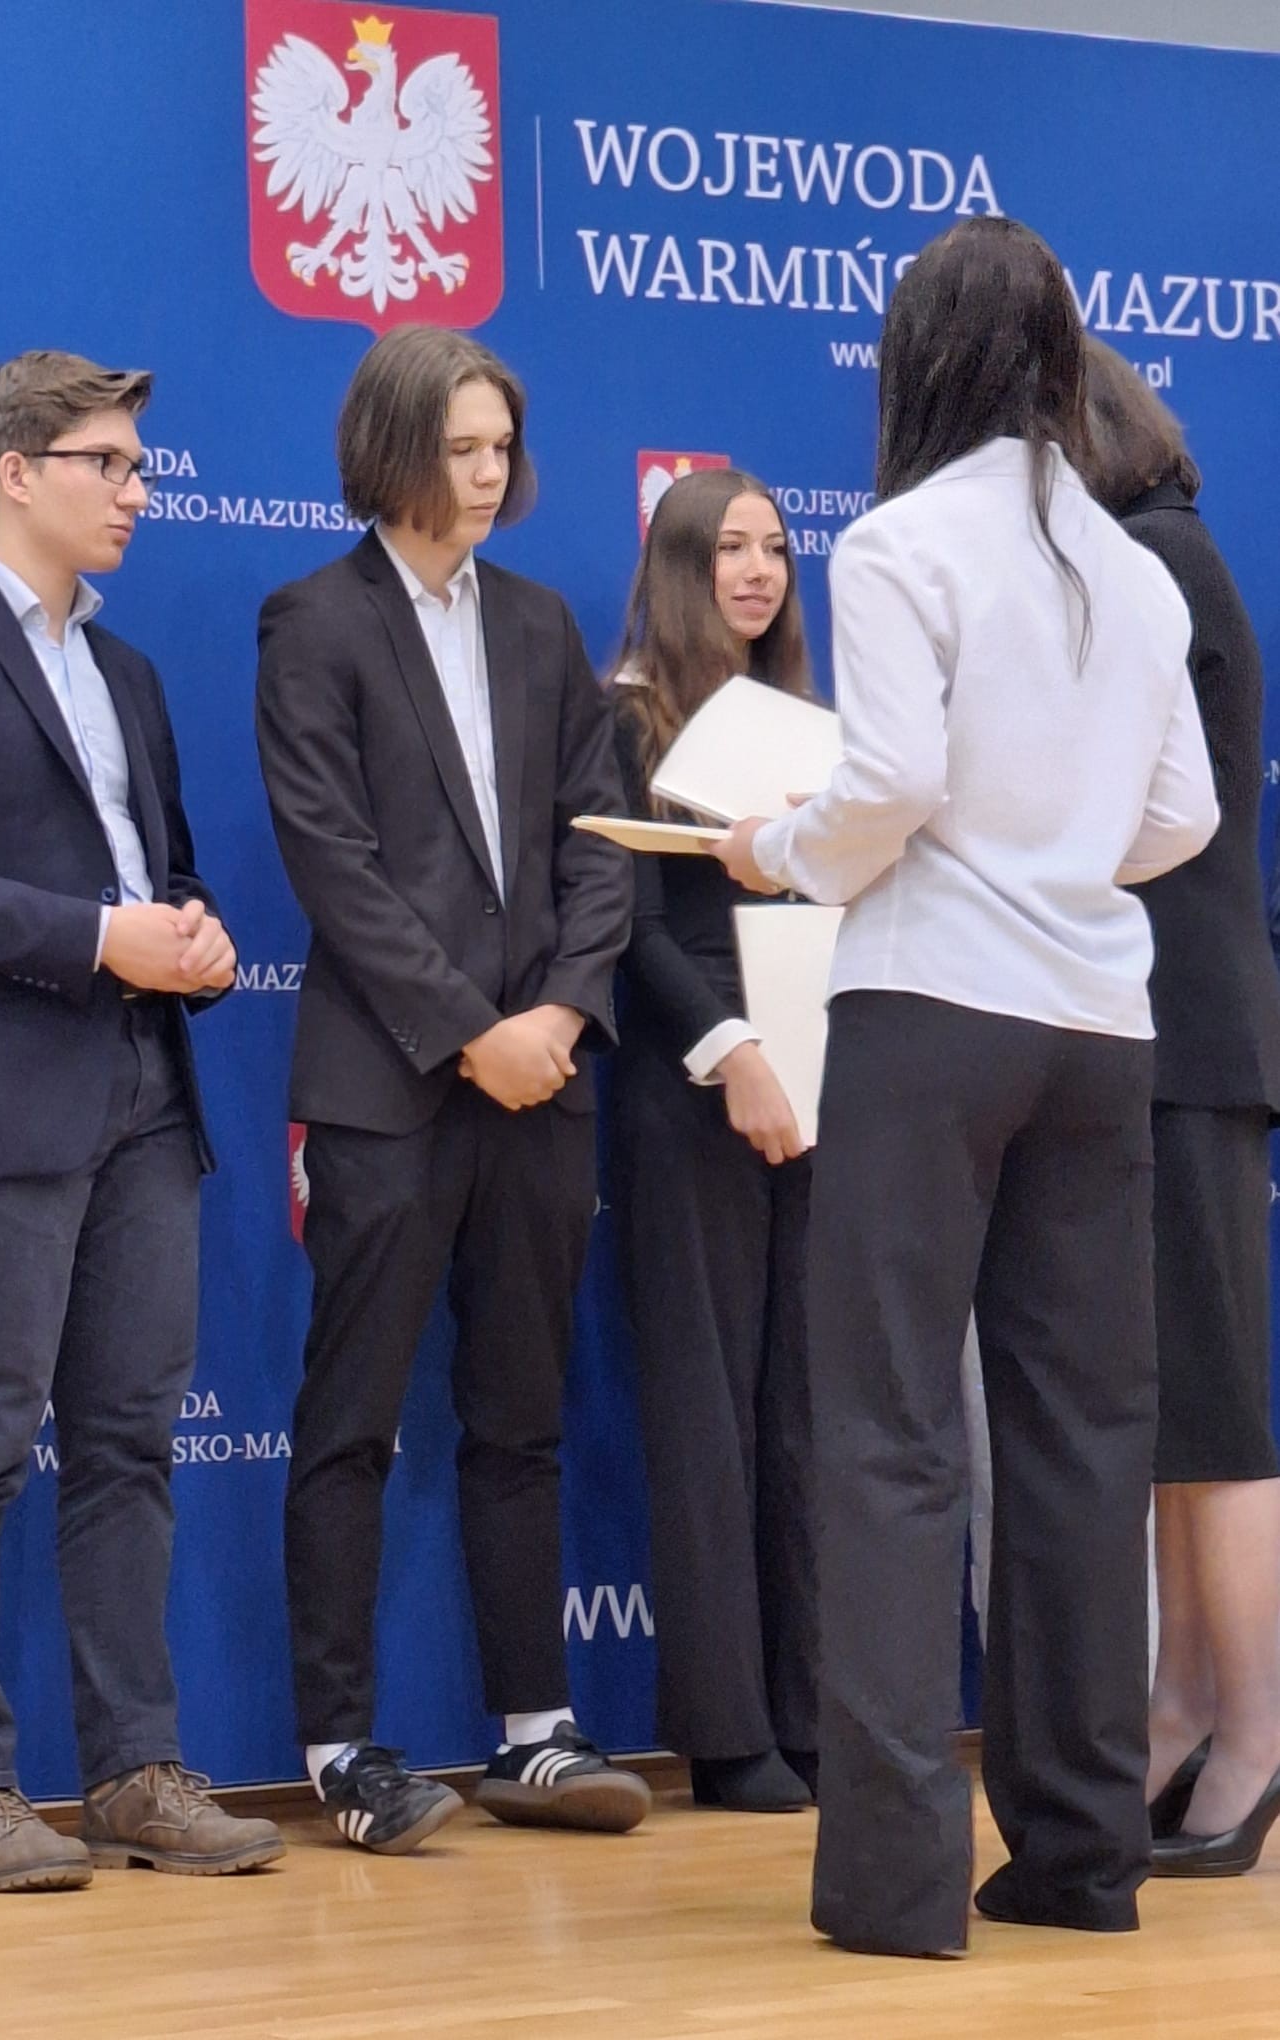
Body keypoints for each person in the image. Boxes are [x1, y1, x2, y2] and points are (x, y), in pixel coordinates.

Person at [716, 217, 1218, 1955]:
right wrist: (1057, 855)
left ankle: (891, 1884)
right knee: (1082, 1439)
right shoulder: (1135, 570)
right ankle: (1082, 1861)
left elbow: (887, 788)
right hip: (1099, 1025)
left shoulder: (898, 541)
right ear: (1061, 361)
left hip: (930, 1011)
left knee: (888, 1432)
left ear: (914, 358)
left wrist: (774, 850)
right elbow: (1182, 819)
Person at [0, 351, 282, 1893]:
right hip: (0, 1103)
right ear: (16, 471)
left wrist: (191, 935)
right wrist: (100, 937)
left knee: (130, 1447)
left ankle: (134, 1774)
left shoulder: (127, 672)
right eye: (110, 464)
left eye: (139, 466)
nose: (138, 491)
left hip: (146, 1094)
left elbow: (159, 868)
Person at [255, 324, 646, 1855]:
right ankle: (341, 1750)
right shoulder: (314, 619)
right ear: (392, 448)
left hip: (541, 1084)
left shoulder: (541, 625)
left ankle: (534, 1734)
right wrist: (470, 1029)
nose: (486, 476)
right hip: (390, 1084)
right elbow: (331, 862)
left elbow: (600, 842)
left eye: (499, 449)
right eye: (459, 449)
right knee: (350, 1421)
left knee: (520, 1417)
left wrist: (556, 1012)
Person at [1082, 336, 1280, 1878]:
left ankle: (1254, 1738)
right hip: (1159, 1032)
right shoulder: (1165, 552)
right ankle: (1175, 1710)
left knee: (1211, 1411)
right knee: (1168, 1413)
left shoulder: (1156, 561)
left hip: (1187, 1036)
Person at [607, 468, 817, 1814]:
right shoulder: (627, 717)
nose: (756, 571)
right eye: (729, 548)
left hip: (817, 1080)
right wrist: (730, 1053)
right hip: (691, 1090)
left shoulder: (803, 725)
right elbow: (626, 930)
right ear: (679, 567)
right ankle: (729, 1730)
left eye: (775, 548)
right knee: (705, 1410)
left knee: (807, 1411)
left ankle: (812, 1710)